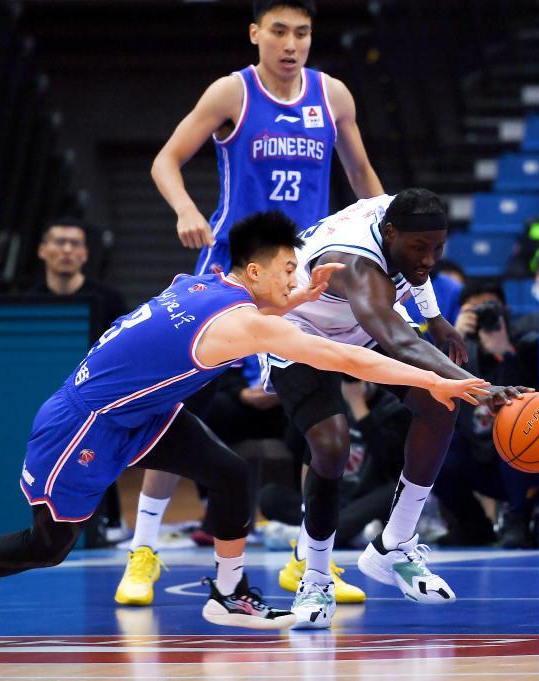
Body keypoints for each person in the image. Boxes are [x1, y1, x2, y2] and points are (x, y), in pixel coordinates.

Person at [0, 211, 486, 630]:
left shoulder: (205, 281)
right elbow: (345, 358)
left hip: (143, 414)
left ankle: (229, 595)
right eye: (289, 270)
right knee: (47, 547)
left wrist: (296, 299)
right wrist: (434, 381)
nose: (296, 279)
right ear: (254, 270)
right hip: (85, 425)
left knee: (230, 474)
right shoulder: (241, 324)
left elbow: (248, 303)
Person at [121, 0, 384, 608]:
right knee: (180, 407)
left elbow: (364, 177)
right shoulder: (231, 93)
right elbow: (165, 160)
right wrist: (186, 209)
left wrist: (386, 234)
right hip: (231, 274)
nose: (291, 44)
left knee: (322, 419)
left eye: (303, 33)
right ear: (255, 34)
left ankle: (309, 560)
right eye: (279, 31)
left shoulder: (333, 96)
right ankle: (143, 550)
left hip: (302, 279)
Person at [262, 188, 526, 627]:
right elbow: (398, 339)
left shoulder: (405, 216)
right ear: (389, 234)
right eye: (420, 248)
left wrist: (435, 317)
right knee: (332, 446)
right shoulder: (356, 266)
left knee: (441, 404)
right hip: (300, 326)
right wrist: (480, 387)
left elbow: (415, 270)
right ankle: (315, 578)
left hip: (364, 320)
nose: (429, 259)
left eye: (438, 248)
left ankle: (394, 545)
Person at [30, 217, 131, 546]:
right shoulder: (28, 301)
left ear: (85, 254)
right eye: (59, 242)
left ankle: (109, 520)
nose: (66, 250)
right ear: (42, 250)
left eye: (74, 244)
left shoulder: (109, 299)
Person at [435, 280, 539, 547]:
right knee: (437, 452)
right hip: (478, 455)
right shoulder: (456, 351)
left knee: (515, 431)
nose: (484, 316)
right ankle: (473, 525)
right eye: (475, 311)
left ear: (506, 311)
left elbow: (526, 401)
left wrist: (505, 353)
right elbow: (433, 393)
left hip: (524, 462)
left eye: (490, 309)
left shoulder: (527, 345)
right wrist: (452, 338)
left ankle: (518, 520)